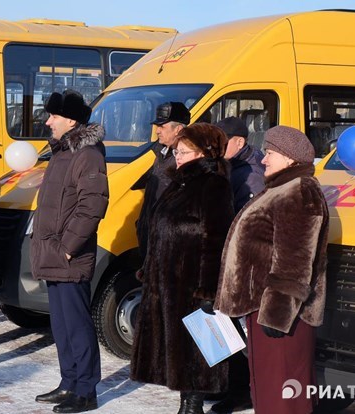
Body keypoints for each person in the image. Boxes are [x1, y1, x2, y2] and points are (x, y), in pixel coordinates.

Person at [215, 126, 329, 414]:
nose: (263, 159)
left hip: (284, 316)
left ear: (290, 158)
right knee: (268, 392)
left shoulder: (299, 191)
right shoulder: (280, 189)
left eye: (270, 153)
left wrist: (277, 314)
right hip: (264, 309)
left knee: (283, 397)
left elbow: (295, 259)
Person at [130, 123, 234, 414]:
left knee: (196, 351)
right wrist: (149, 271)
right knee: (173, 349)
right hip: (166, 281)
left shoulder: (214, 186)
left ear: (203, 153)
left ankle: (192, 405)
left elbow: (217, 239)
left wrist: (208, 289)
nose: (177, 155)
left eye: (184, 151)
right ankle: (186, 403)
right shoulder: (177, 183)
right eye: (177, 150)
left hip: (192, 283)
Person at [30, 90, 108, 413]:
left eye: (54, 116)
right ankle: (69, 382)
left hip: (69, 257)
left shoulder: (86, 154)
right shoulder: (61, 152)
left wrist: (66, 249)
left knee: (77, 324)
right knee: (61, 325)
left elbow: (92, 205)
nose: (48, 121)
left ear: (72, 120)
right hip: (52, 253)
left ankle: (86, 389)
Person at [209, 116, 264, 413]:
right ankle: (223, 383)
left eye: (222, 142)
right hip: (219, 257)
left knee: (233, 326)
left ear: (239, 142)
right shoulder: (228, 166)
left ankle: (240, 389)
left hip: (236, 262)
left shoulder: (251, 174)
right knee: (213, 321)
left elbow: (243, 224)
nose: (215, 148)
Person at [135, 102, 190, 259]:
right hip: (151, 239)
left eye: (162, 126)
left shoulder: (185, 161)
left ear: (178, 130)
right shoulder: (161, 153)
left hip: (167, 245)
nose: (157, 130)